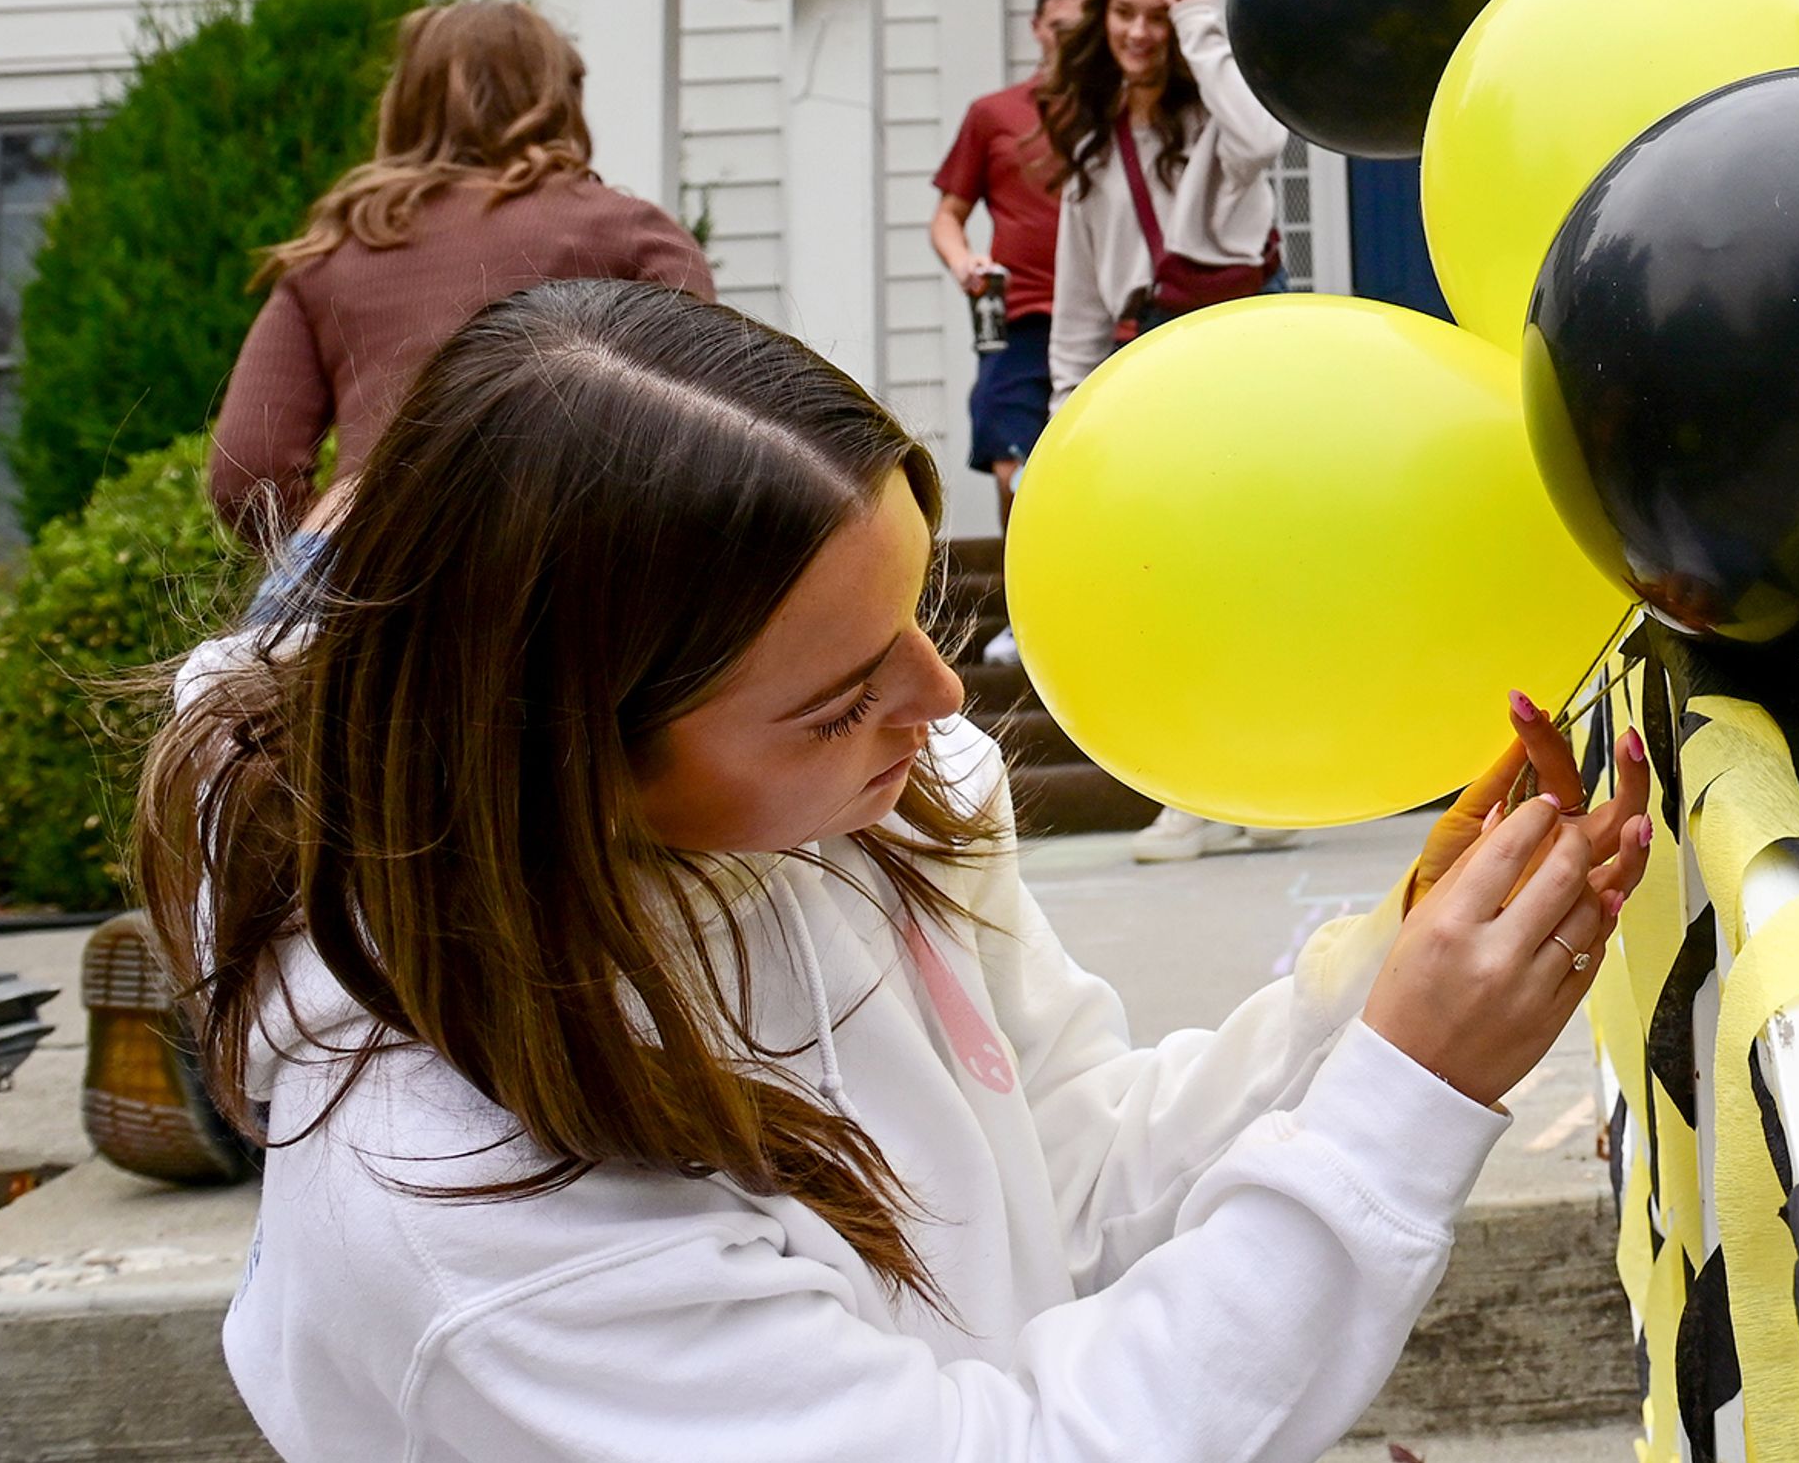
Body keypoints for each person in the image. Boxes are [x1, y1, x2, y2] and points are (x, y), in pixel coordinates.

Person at [139, 278, 1652, 1463]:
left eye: (920, 604)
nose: (940, 699)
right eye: (836, 690)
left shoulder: (841, 821)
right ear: (560, 754)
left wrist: (1385, 991)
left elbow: (1070, 1175)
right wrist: (1405, 1092)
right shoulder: (458, 1206)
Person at [209, 0, 710, 556]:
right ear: (563, 99)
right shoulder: (633, 233)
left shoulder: (332, 256)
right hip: (555, 570)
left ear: (402, 102)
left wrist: (360, 556)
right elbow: (698, 439)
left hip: (357, 562)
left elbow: (244, 476)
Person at [1038, 0, 1292, 863]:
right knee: (1175, 575)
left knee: (1249, 566)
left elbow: (1266, 141)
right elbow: (1077, 298)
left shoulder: (1213, 123)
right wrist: (1068, 410)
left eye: (1158, 17)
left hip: (1236, 349)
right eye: (1126, 16)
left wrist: (1204, 25)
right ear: (1103, 26)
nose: (1141, 34)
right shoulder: (1093, 148)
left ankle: (1257, 781)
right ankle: (1192, 787)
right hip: (1144, 362)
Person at [931, 0, 1104, 518]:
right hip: (1020, 312)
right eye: (1059, 28)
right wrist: (964, 264)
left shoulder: (1120, 112)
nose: (1069, 41)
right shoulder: (993, 114)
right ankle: (1021, 597)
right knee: (1012, 452)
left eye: (1083, 31)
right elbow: (947, 216)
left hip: (1109, 314)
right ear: (1037, 29)